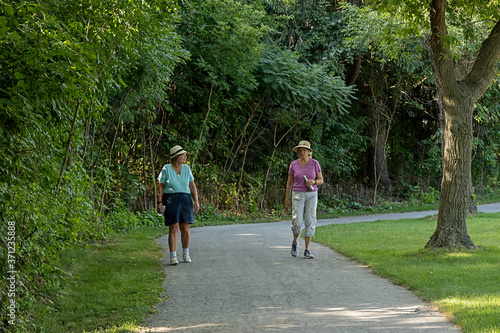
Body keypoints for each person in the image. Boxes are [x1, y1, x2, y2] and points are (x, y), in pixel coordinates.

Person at [157, 145, 200, 265]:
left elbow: (192, 185)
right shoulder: (166, 169)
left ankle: (186, 253)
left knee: (185, 228)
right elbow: (160, 187)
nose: (185, 156)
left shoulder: (186, 169)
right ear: (176, 157)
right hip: (171, 199)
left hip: (186, 198)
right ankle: (173, 256)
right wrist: (159, 202)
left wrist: (196, 200)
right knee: (174, 227)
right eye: (183, 155)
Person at [285, 140, 323, 259]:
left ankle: (307, 249)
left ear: (309, 152)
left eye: (305, 150)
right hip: (298, 194)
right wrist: (287, 200)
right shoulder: (294, 164)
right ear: (298, 152)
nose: (302, 152)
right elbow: (289, 183)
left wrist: (314, 182)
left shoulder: (315, 163)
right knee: (297, 222)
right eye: (300, 150)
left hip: (311, 194)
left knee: (310, 220)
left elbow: (321, 180)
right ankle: (295, 242)